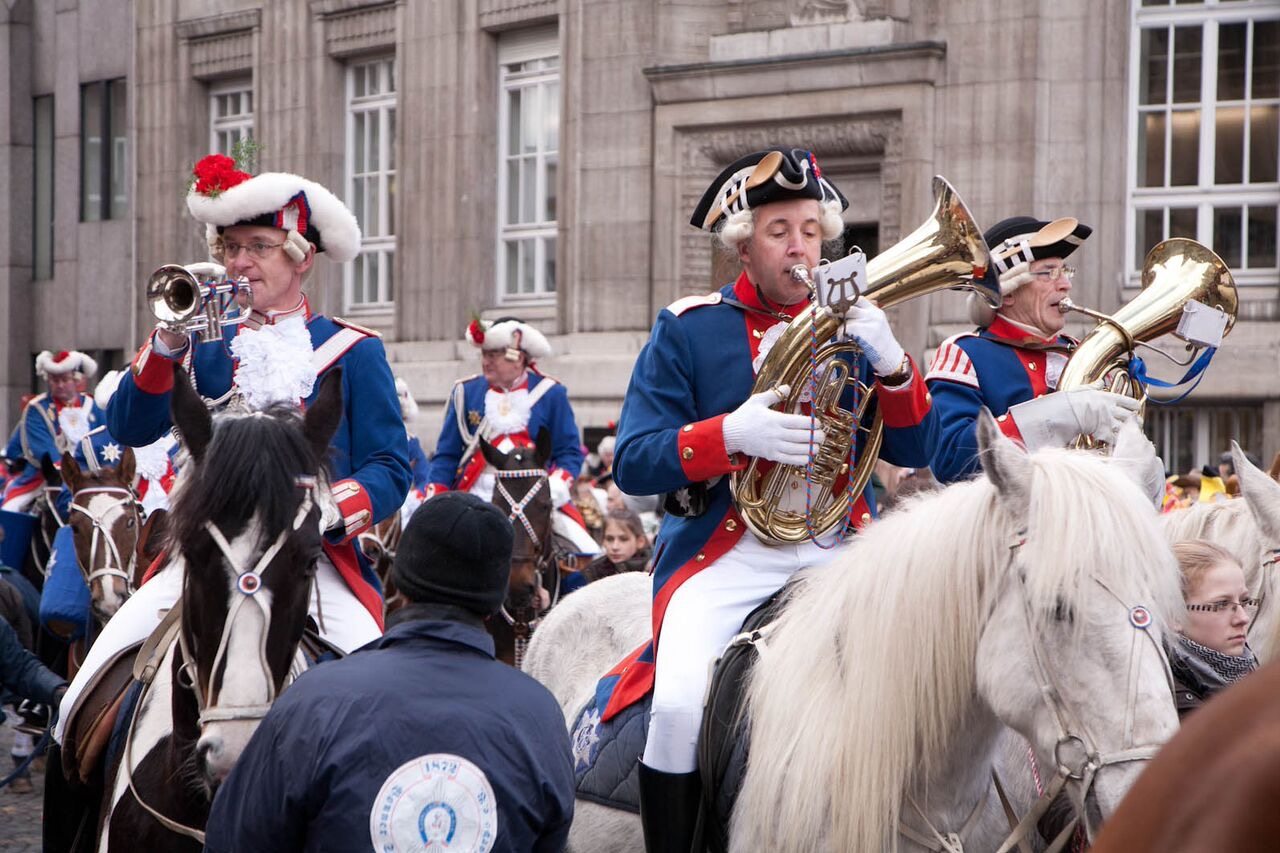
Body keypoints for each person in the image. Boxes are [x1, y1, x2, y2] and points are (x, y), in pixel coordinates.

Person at [595, 147, 937, 851]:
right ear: (743, 244)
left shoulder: (854, 323)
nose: (800, 246)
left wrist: (894, 363)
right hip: (727, 557)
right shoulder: (689, 327)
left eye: (812, 229)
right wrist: (729, 433)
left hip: (841, 550)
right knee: (680, 708)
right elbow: (633, 461)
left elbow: (918, 452)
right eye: (780, 230)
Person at [54, 153, 411, 743]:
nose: (239, 263)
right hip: (199, 557)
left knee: (383, 709)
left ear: (302, 257)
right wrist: (167, 340)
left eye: (258, 246)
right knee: (81, 709)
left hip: (307, 561)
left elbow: (390, 467)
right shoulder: (198, 340)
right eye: (229, 247)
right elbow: (127, 428)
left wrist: (326, 510)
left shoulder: (352, 349)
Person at [204, 491, 575, 853]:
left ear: (399, 581)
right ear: (494, 605)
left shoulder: (313, 699)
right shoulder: (540, 713)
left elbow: (234, 839)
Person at [927, 216, 1141, 483]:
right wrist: (1058, 415)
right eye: (1049, 272)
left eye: (1065, 271)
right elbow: (949, 459)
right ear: (1007, 293)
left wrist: (1137, 464)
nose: (1065, 284)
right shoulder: (966, 353)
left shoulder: (1079, 352)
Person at [425, 317, 599, 554]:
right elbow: (446, 456)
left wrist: (555, 487)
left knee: (584, 553)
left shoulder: (550, 393)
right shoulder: (465, 392)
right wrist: (436, 499)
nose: (486, 362)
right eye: (484, 355)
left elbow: (569, 453)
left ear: (519, 356)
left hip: (534, 497)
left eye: (494, 355)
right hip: (476, 495)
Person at [1, 351, 103, 512]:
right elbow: (45, 449)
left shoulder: (94, 406)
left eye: (65, 379)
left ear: (76, 380)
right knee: (10, 509)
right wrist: (70, 472)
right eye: (55, 380)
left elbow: (104, 440)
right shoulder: (37, 409)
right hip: (47, 477)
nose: (60, 385)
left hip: (93, 476)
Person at [1170, 539, 1259, 715]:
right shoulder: (1157, 699)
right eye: (1221, 605)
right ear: (1174, 614)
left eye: (1244, 601)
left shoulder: (1252, 676)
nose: (1243, 618)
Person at [561, 508, 650, 595]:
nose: (615, 547)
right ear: (603, 541)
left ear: (640, 542)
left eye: (623, 539)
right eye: (609, 539)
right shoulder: (591, 574)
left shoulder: (653, 570)